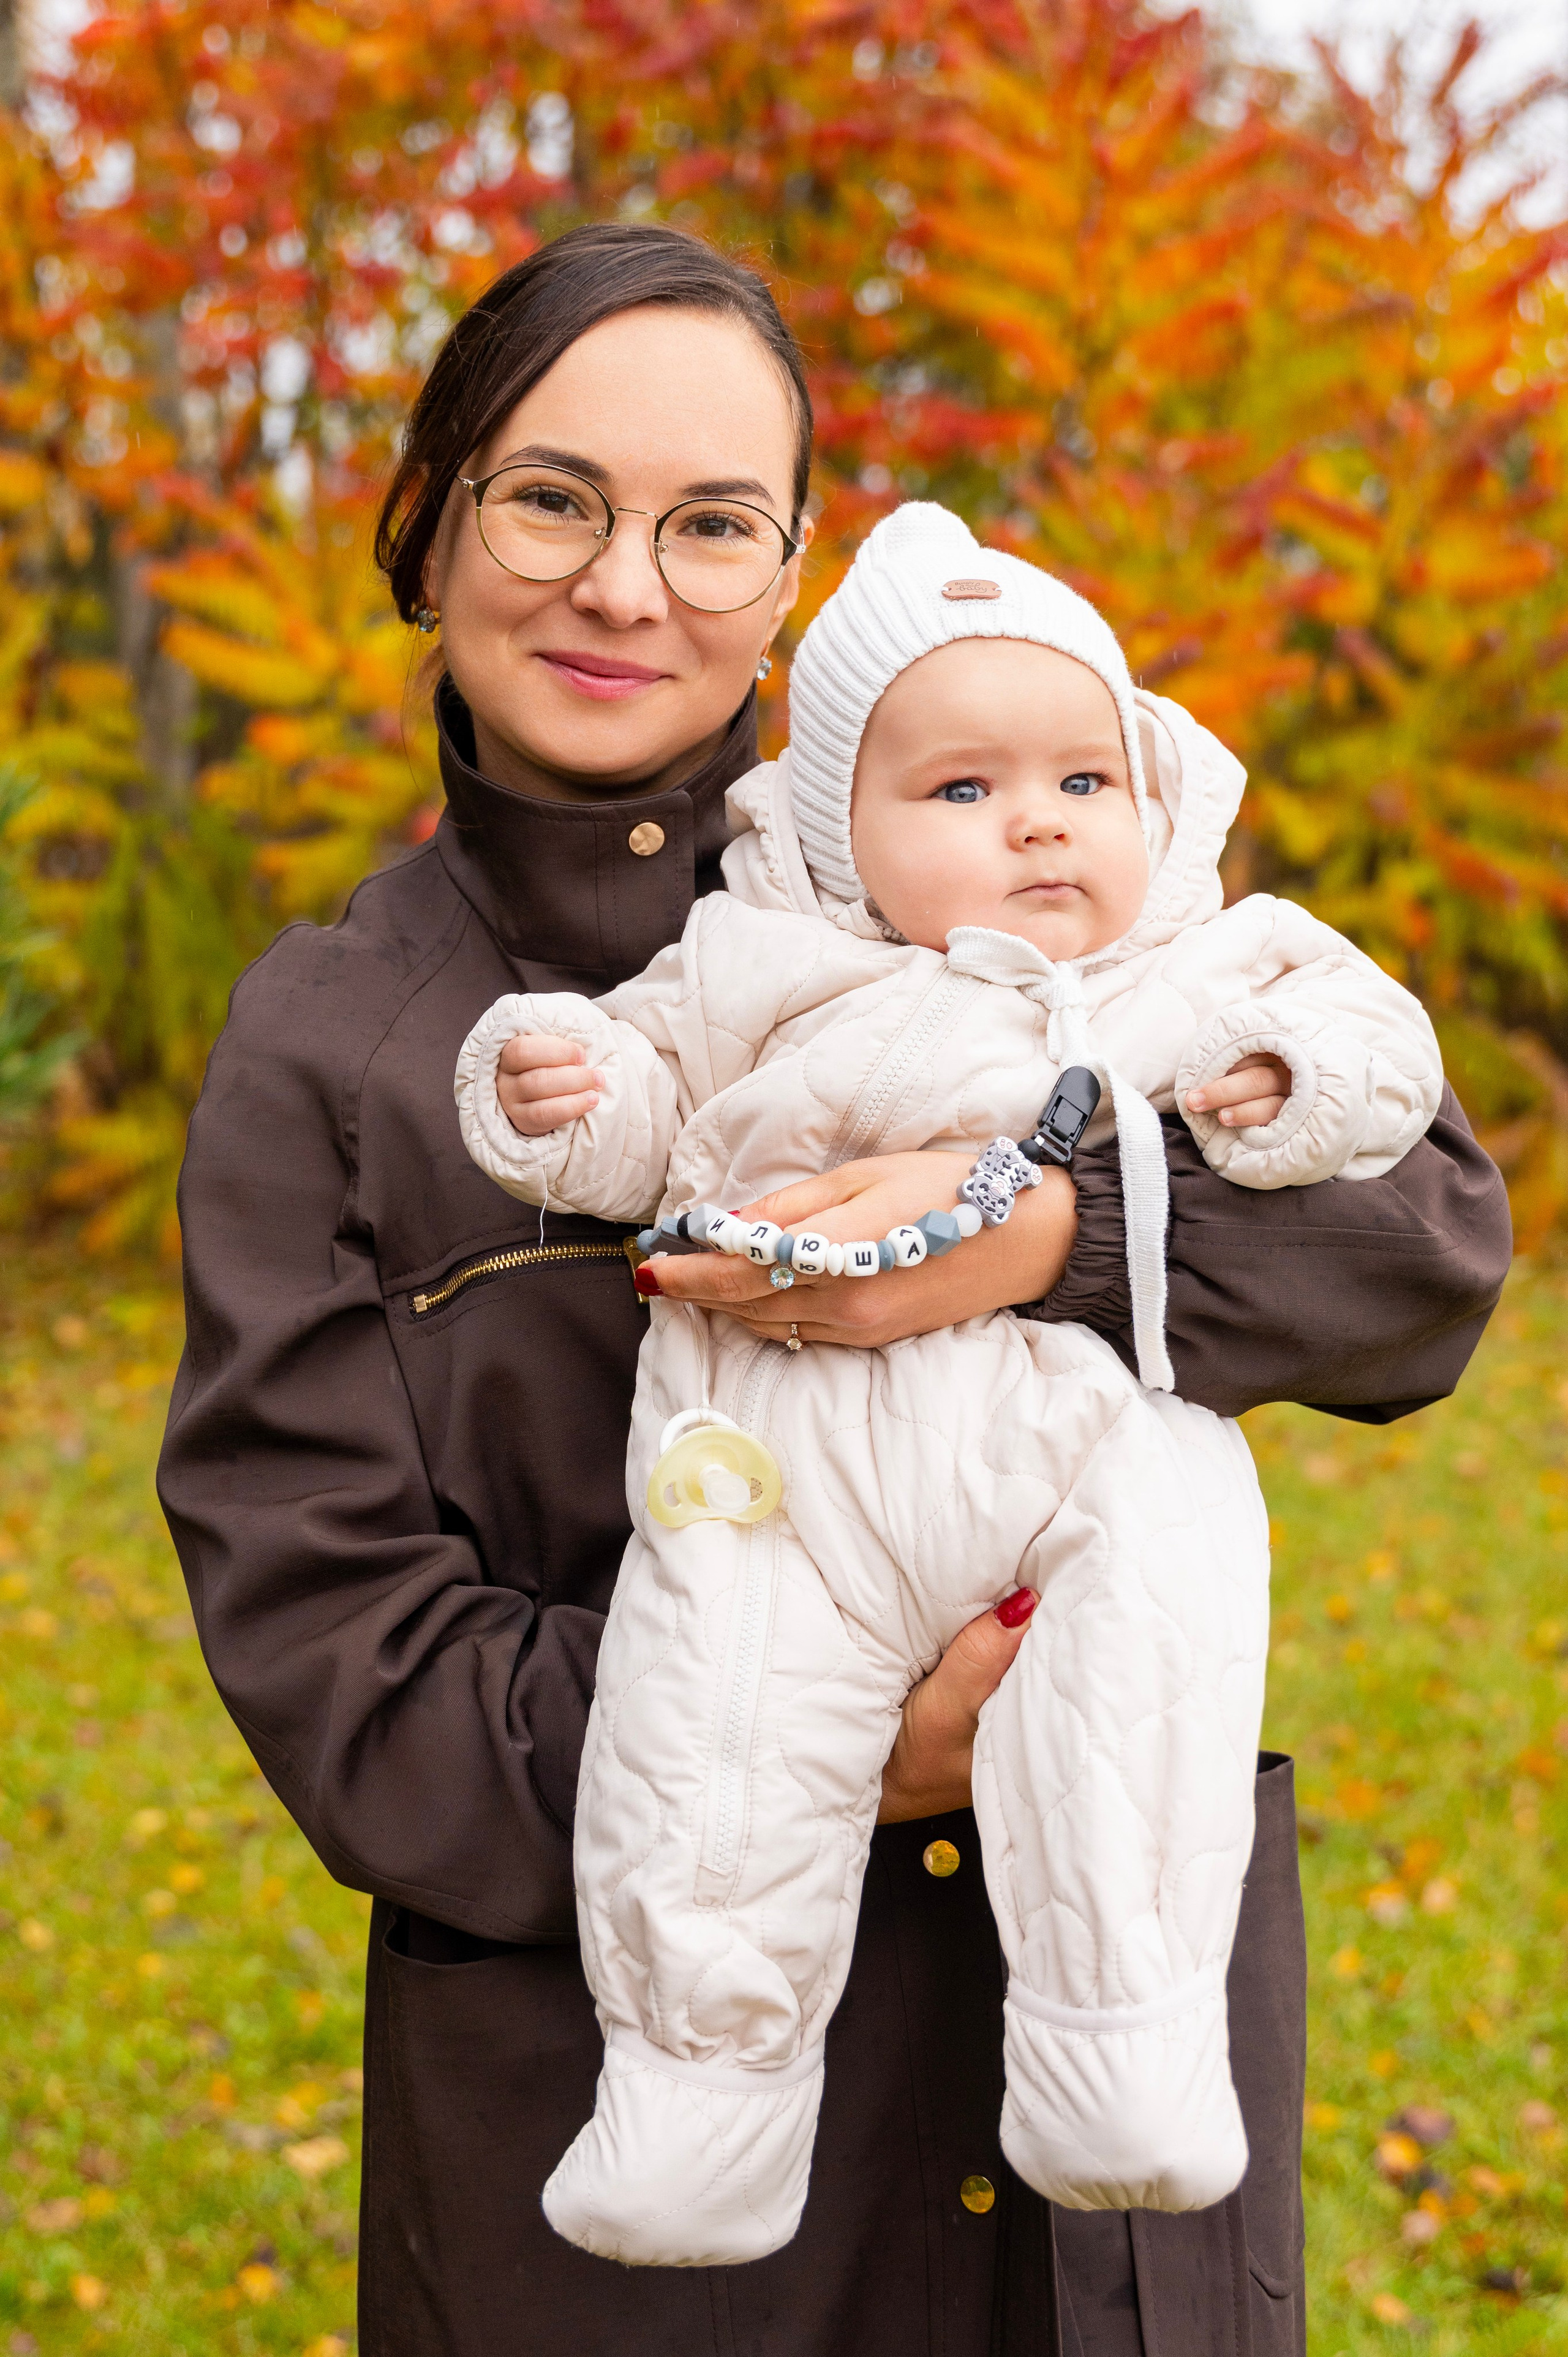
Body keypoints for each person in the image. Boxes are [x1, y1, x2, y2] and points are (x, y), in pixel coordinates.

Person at [157, 222, 1512, 2357]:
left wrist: (1044, 1233)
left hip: (1099, 2119)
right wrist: (844, 1744)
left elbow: (1419, 1251)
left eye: (714, 526)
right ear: (426, 524)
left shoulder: (991, 858)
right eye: (553, 499)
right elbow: (350, 1668)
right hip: (637, 2176)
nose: (627, 587)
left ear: (787, 578)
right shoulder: (331, 1049)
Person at [454, 499, 1443, 2266]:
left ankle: (1124, 2044)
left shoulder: (1200, 961)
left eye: (1084, 779)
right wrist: (562, 1082)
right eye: (962, 792)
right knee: (714, 1738)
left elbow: (1380, 1051)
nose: (1041, 826)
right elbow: (640, 1109)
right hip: (787, 1476)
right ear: (837, 840)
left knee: (1154, 1658)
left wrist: (1291, 1070)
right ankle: (695, 2104)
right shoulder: (761, 967)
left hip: (1079, 1452)